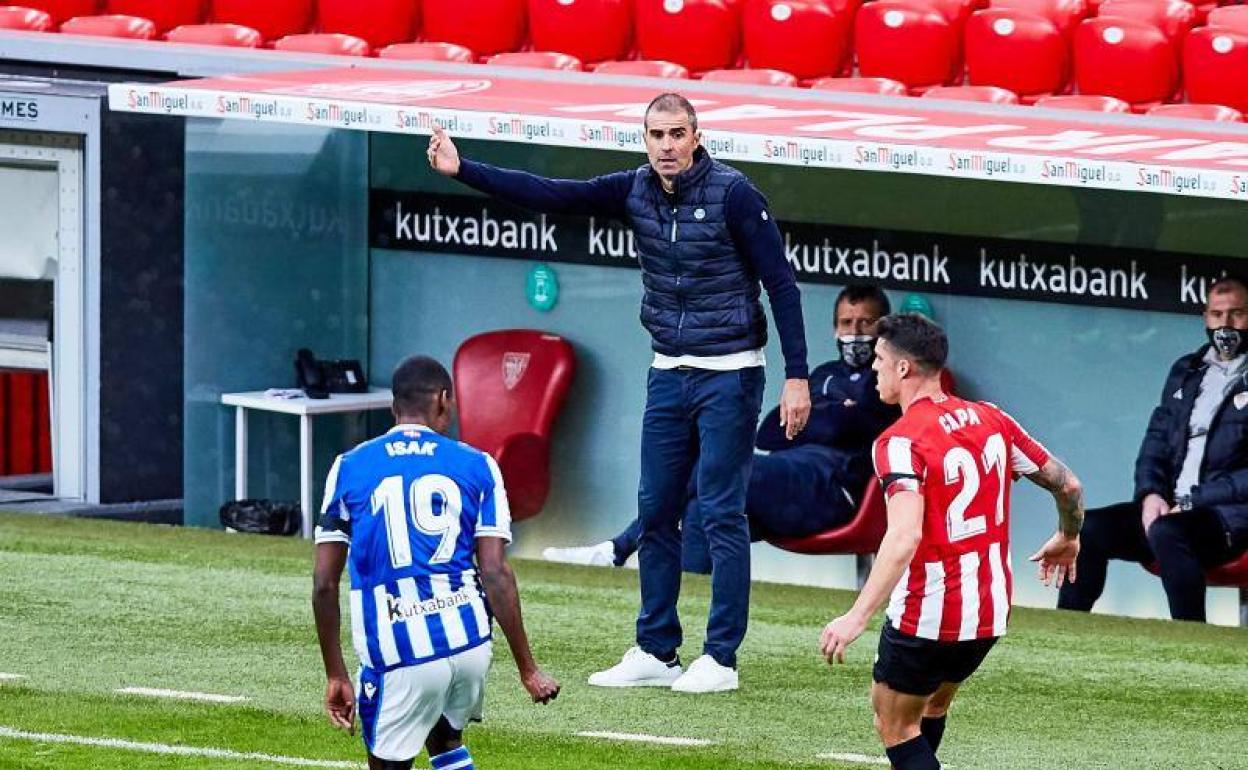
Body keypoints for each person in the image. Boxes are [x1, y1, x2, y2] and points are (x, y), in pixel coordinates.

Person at [427, 93, 811, 694]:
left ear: (696, 136)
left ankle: (721, 658)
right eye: (656, 135)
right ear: (645, 139)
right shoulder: (633, 188)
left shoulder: (735, 194)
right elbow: (550, 193)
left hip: (732, 372)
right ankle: (657, 649)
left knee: (720, 511)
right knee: (655, 508)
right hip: (668, 371)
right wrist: (463, 169)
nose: (667, 146)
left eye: (677, 134)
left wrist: (797, 376)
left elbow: (782, 286)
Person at [819, 314, 1083, 770]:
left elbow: (904, 536)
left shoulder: (899, 442)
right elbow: (1069, 484)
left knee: (894, 724)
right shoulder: (993, 419)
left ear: (903, 368)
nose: (874, 368)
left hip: (929, 611)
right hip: (988, 610)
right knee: (932, 707)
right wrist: (1069, 535)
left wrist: (856, 616)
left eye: (879, 358)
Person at [311, 356, 560, 770]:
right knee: (445, 740)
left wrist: (336, 674)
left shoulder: (350, 466)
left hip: (400, 650)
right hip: (469, 643)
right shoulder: (479, 465)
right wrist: (528, 669)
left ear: (394, 406)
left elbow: (324, 582)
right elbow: (495, 572)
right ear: (444, 399)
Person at [542, 284, 899, 572]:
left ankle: (617, 549)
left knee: (716, 469)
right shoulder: (823, 375)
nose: (855, 332)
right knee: (701, 506)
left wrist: (817, 417)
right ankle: (687, 612)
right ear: (835, 328)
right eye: (847, 323)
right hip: (785, 480)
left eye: (865, 323)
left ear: (883, 327)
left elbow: (856, 425)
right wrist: (835, 414)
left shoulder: (887, 381)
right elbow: (769, 432)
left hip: (834, 492)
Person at [1058, 276, 1248, 622]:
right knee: (1090, 527)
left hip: (1228, 517)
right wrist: (1150, 495)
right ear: (1205, 317)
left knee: (1169, 533)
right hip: (1170, 508)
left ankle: (1192, 642)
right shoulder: (1186, 370)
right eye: (1218, 314)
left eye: (1237, 313)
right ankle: (1066, 632)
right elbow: (1156, 440)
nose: (1226, 324)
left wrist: (1192, 501)